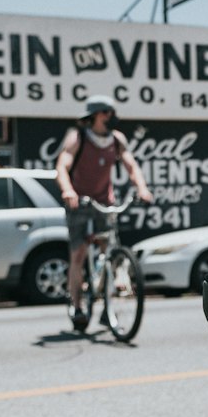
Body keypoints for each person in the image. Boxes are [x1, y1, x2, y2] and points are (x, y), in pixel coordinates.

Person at [55, 96, 153, 329]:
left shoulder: (116, 139)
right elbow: (62, 165)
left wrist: (142, 187)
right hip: (79, 202)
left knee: (109, 248)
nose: (113, 117)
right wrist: (68, 191)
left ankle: (108, 299)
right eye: (108, 112)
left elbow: (131, 165)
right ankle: (78, 306)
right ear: (97, 115)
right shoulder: (78, 138)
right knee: (78, 253)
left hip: (104, 201)